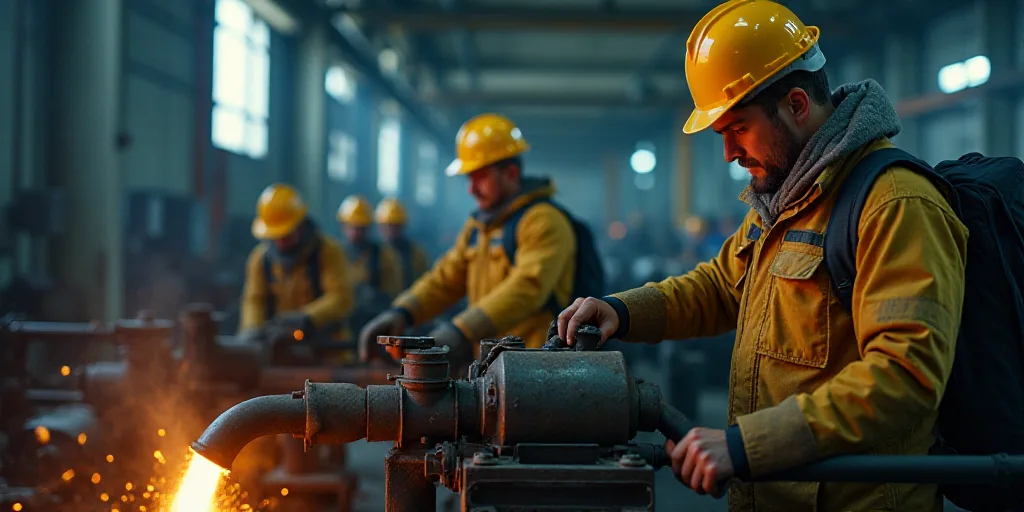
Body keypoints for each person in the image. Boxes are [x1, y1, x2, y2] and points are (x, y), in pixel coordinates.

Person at [556, 1, 968, 510]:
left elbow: (905, 375)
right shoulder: (783, 194)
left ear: (797, 105)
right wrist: (622, 309)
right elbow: (719, 286)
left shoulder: (895, 204)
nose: (728, 152)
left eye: (739, 128)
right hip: (772, 493)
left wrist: (746, 444)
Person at [358, 113, 577, 369]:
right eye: (469, 178)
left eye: (480, 177)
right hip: (491, 365)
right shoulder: (479, 227)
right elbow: (446, 278)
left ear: (511, 172)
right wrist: (402, 311)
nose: (471, 189)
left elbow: (527, 288)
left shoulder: (543, 221)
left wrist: (461, 330)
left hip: (537, 367)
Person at [239, 184, 354, 358]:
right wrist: (253, 330)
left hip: (329, 351)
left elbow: (341, 297)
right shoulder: (260, 259)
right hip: (280, 351)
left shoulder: (328, 252)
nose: (280, 242)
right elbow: (254, 300)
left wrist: (306, 318)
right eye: (275, 236)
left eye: (285, 235)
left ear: (300, 225)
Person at [336, 194, 404, 332]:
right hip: (343, 325)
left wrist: (376, 298)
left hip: (373, 324)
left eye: (360, 227)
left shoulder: (383, 256)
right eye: (352, 226)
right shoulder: (335, 254)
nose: (356, 232)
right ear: (342, 226)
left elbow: (395, 294)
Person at [374, 197, 431, 289]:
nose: (392, 230)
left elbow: (426, 282)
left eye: (395, 226)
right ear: (380, 227)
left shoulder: (417, 254)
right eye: (388, 225)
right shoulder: (371, 253)